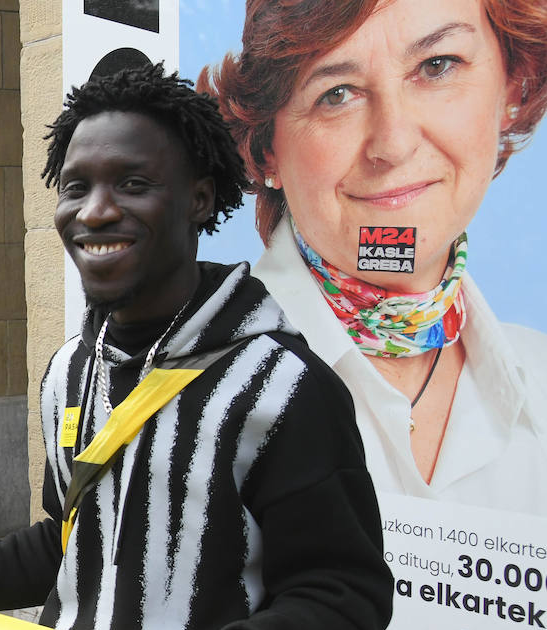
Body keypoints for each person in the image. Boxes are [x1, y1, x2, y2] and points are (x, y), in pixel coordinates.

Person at [0, 64, 393, 630]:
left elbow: (345, 601)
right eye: (75, 187)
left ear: (199, 198)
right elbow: (69, 547)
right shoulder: (69, 372)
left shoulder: (282, 389)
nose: (95, 212)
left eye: (134, 183)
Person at [200, 0, 547, 512]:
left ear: (512, 87)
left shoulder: (540, 374)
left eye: (437, 66)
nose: (394, 143)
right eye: (336, 94)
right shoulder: (189, 385)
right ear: (267, 147)